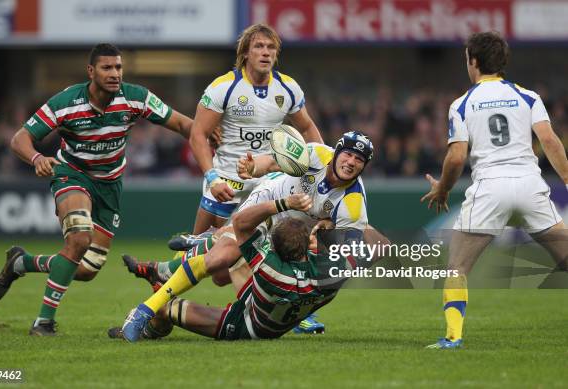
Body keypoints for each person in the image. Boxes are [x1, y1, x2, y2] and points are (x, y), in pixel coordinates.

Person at [0, 43, 199, 336]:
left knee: (87, 269)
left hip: (110, 184)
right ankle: (43, 322)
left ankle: (20, 263)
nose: (115, 74)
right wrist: (37, 158)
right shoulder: (66, 101)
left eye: (118, 67)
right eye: (107, 68)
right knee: (79, 239)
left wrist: (209, 135)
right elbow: (19, 138)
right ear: (91, 71)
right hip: (72, 174)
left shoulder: (135, 98)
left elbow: (180, 123)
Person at [120, 131, 389, 341]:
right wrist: (252, 168)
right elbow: (272, 161)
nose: (352, 162)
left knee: (222, 276)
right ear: (337, 152)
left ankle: (201, 244)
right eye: (349, 154)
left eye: (359, 160)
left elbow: (345, 248)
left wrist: (327, 231)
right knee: (220, 259)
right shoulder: (317, 154)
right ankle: (146, 309)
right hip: (271, 203)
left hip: (292, 233)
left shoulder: (353, 205)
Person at [421, 32, 568, 349]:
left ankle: (452, 337)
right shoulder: (527, 96)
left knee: (458, 268)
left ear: (472, 60)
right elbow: (550, 140)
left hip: (490, 188)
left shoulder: (462, 104)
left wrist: (443, 190)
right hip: (530, 185)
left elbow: (457, 156)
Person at [118, 193, 356, 342]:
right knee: (233, 249)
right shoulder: (333, 275)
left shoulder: (268, 267)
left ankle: (151, 329)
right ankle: (206, 242)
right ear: (306, 248)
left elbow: (242, 223)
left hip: (247, 325)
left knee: (165, 308)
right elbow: (381, 243)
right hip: (273, 305)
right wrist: (333, 226)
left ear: (275, 249)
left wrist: (283, 204)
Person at [189, 23, 322, 235]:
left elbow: (307, 128)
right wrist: (212, 179)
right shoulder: (223, 87)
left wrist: (319, 170)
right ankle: (163, 268)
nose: (265, 52)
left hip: (269, 184)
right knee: (201, 252)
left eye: (271, 47)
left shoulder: (288, 88)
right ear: (245, 53)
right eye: (259, 46)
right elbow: (198, 135)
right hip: (227, 183)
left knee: (265, 254)